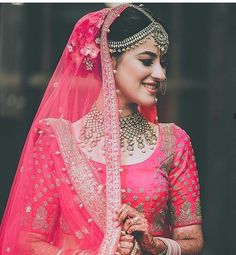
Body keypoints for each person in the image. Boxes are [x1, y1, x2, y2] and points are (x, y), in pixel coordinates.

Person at [0, 3, 203, 255]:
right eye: (147, 61)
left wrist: (154, 245)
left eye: (162, 63)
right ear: (111, 60)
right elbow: (28, 241)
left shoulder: (175, 141)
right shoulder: (57, 140)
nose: (160, 74)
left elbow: (192, 242)